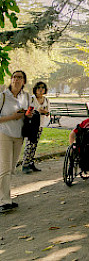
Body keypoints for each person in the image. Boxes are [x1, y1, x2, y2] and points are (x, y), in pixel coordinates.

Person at [0, 70, 30, 213]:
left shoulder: (26, 97)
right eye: (14, 77)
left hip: (19, 135)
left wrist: (28, 115)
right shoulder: (3, 97)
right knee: (5, 168)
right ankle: (4, 201)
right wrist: (12, 117)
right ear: (11, 80)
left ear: (24, 81)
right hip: (4, 134)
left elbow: (28, 114)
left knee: (11, 168)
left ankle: (6, 197)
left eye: (20, 77)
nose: (16, 79)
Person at [22, 81, 51, 173]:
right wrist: (37, 111)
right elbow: (27, 112)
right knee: (29, 144)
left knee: (35, 144)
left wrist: (45, 112)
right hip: (31, 125)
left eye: (43, 88)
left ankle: (31, 162)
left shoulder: (46, 100)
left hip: (40, 125)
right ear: (35, 89)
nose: (41, 90)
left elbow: (48, 112)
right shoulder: (32, 99)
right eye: (39, 88)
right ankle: (25, 164)